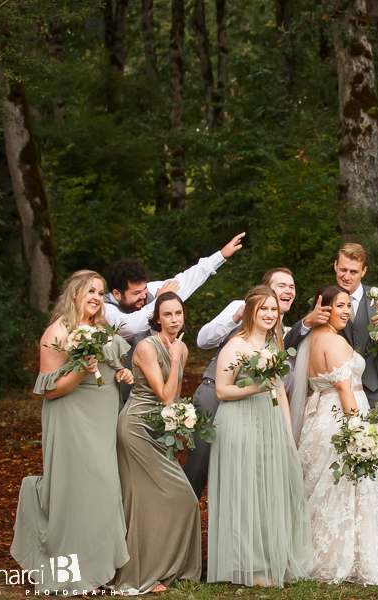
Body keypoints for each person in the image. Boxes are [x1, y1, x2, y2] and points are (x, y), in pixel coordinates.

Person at [11, 271, 134, 595]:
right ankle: (73, 576)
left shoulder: (101, 329)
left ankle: (97, 571)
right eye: (90, 290)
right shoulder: (58, 331)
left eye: (101, 291)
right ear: (74, 292)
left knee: (104, 490)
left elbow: (112, 363)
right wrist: (81, 368)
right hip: (71, 419)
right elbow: (51, 391)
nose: (96, 296)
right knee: (76, 491)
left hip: (102, 417)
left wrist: (120, 369)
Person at [284, 243, 378, 541]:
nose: (347, 276)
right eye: (342, 270)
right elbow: (291, 344)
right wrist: (305, 322)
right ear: (335, 267)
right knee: (335, 474)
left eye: (354, 271)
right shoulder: (324, 301)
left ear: (363, 271)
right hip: (335, 397)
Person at [289, 285, 378, 585]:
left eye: (347, 306)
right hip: (341, 418)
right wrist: (362, 434)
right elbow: (344, 391)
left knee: (325, 489)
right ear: (322, 307)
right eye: (338, 306)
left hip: (319, 418)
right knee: (347, 490)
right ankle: (341, 560)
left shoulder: (311, 340)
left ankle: (326, 555)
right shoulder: (335, 343)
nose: (345, 312)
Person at [209, 286, 311, 587]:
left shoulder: (274, 343)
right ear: (251, 311)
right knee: (245, 490)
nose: (269, 314)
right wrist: (257, 387)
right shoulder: (236, 345)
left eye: (273, 309)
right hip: (240, 421)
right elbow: (222, 390)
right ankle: (248, 566)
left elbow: (278, 388)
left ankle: (268, 558)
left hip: (269, 420)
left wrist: (286, 430)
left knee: (268, 487)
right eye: (263, 309)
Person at [112, 292, 201, 593]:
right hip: (137, 427)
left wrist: (177, 425)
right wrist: (174, 359)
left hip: (160, 428)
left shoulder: (183, 348)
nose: (174, 320)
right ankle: (139, 575)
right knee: (142, 502)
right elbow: (164, 395)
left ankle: (167, 568)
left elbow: (174, 400)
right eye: (168, 315)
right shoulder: (147, 346)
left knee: (184, 500)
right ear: (157, 319)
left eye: (178, 314)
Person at [184, 267, 296, 499]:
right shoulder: (240, 309)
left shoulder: (279, 332)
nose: (287, 291)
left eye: (292, 286)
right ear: (267, 288)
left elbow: (282, 383)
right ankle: (182, 525)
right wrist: (236, 317)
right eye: (281, 286)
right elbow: (203, 340)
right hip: (214, 392)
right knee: (199, 465)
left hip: (254, 408)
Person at [104, 232, 245, 402]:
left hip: (158, 392)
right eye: (136, 293)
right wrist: (157, 301)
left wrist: (221, 255)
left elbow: (185, 281)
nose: (143, 295)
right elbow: (130, 327)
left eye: (144, 289)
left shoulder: (148, 292)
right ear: (116, 294)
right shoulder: (105, 308)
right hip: (118, 393)